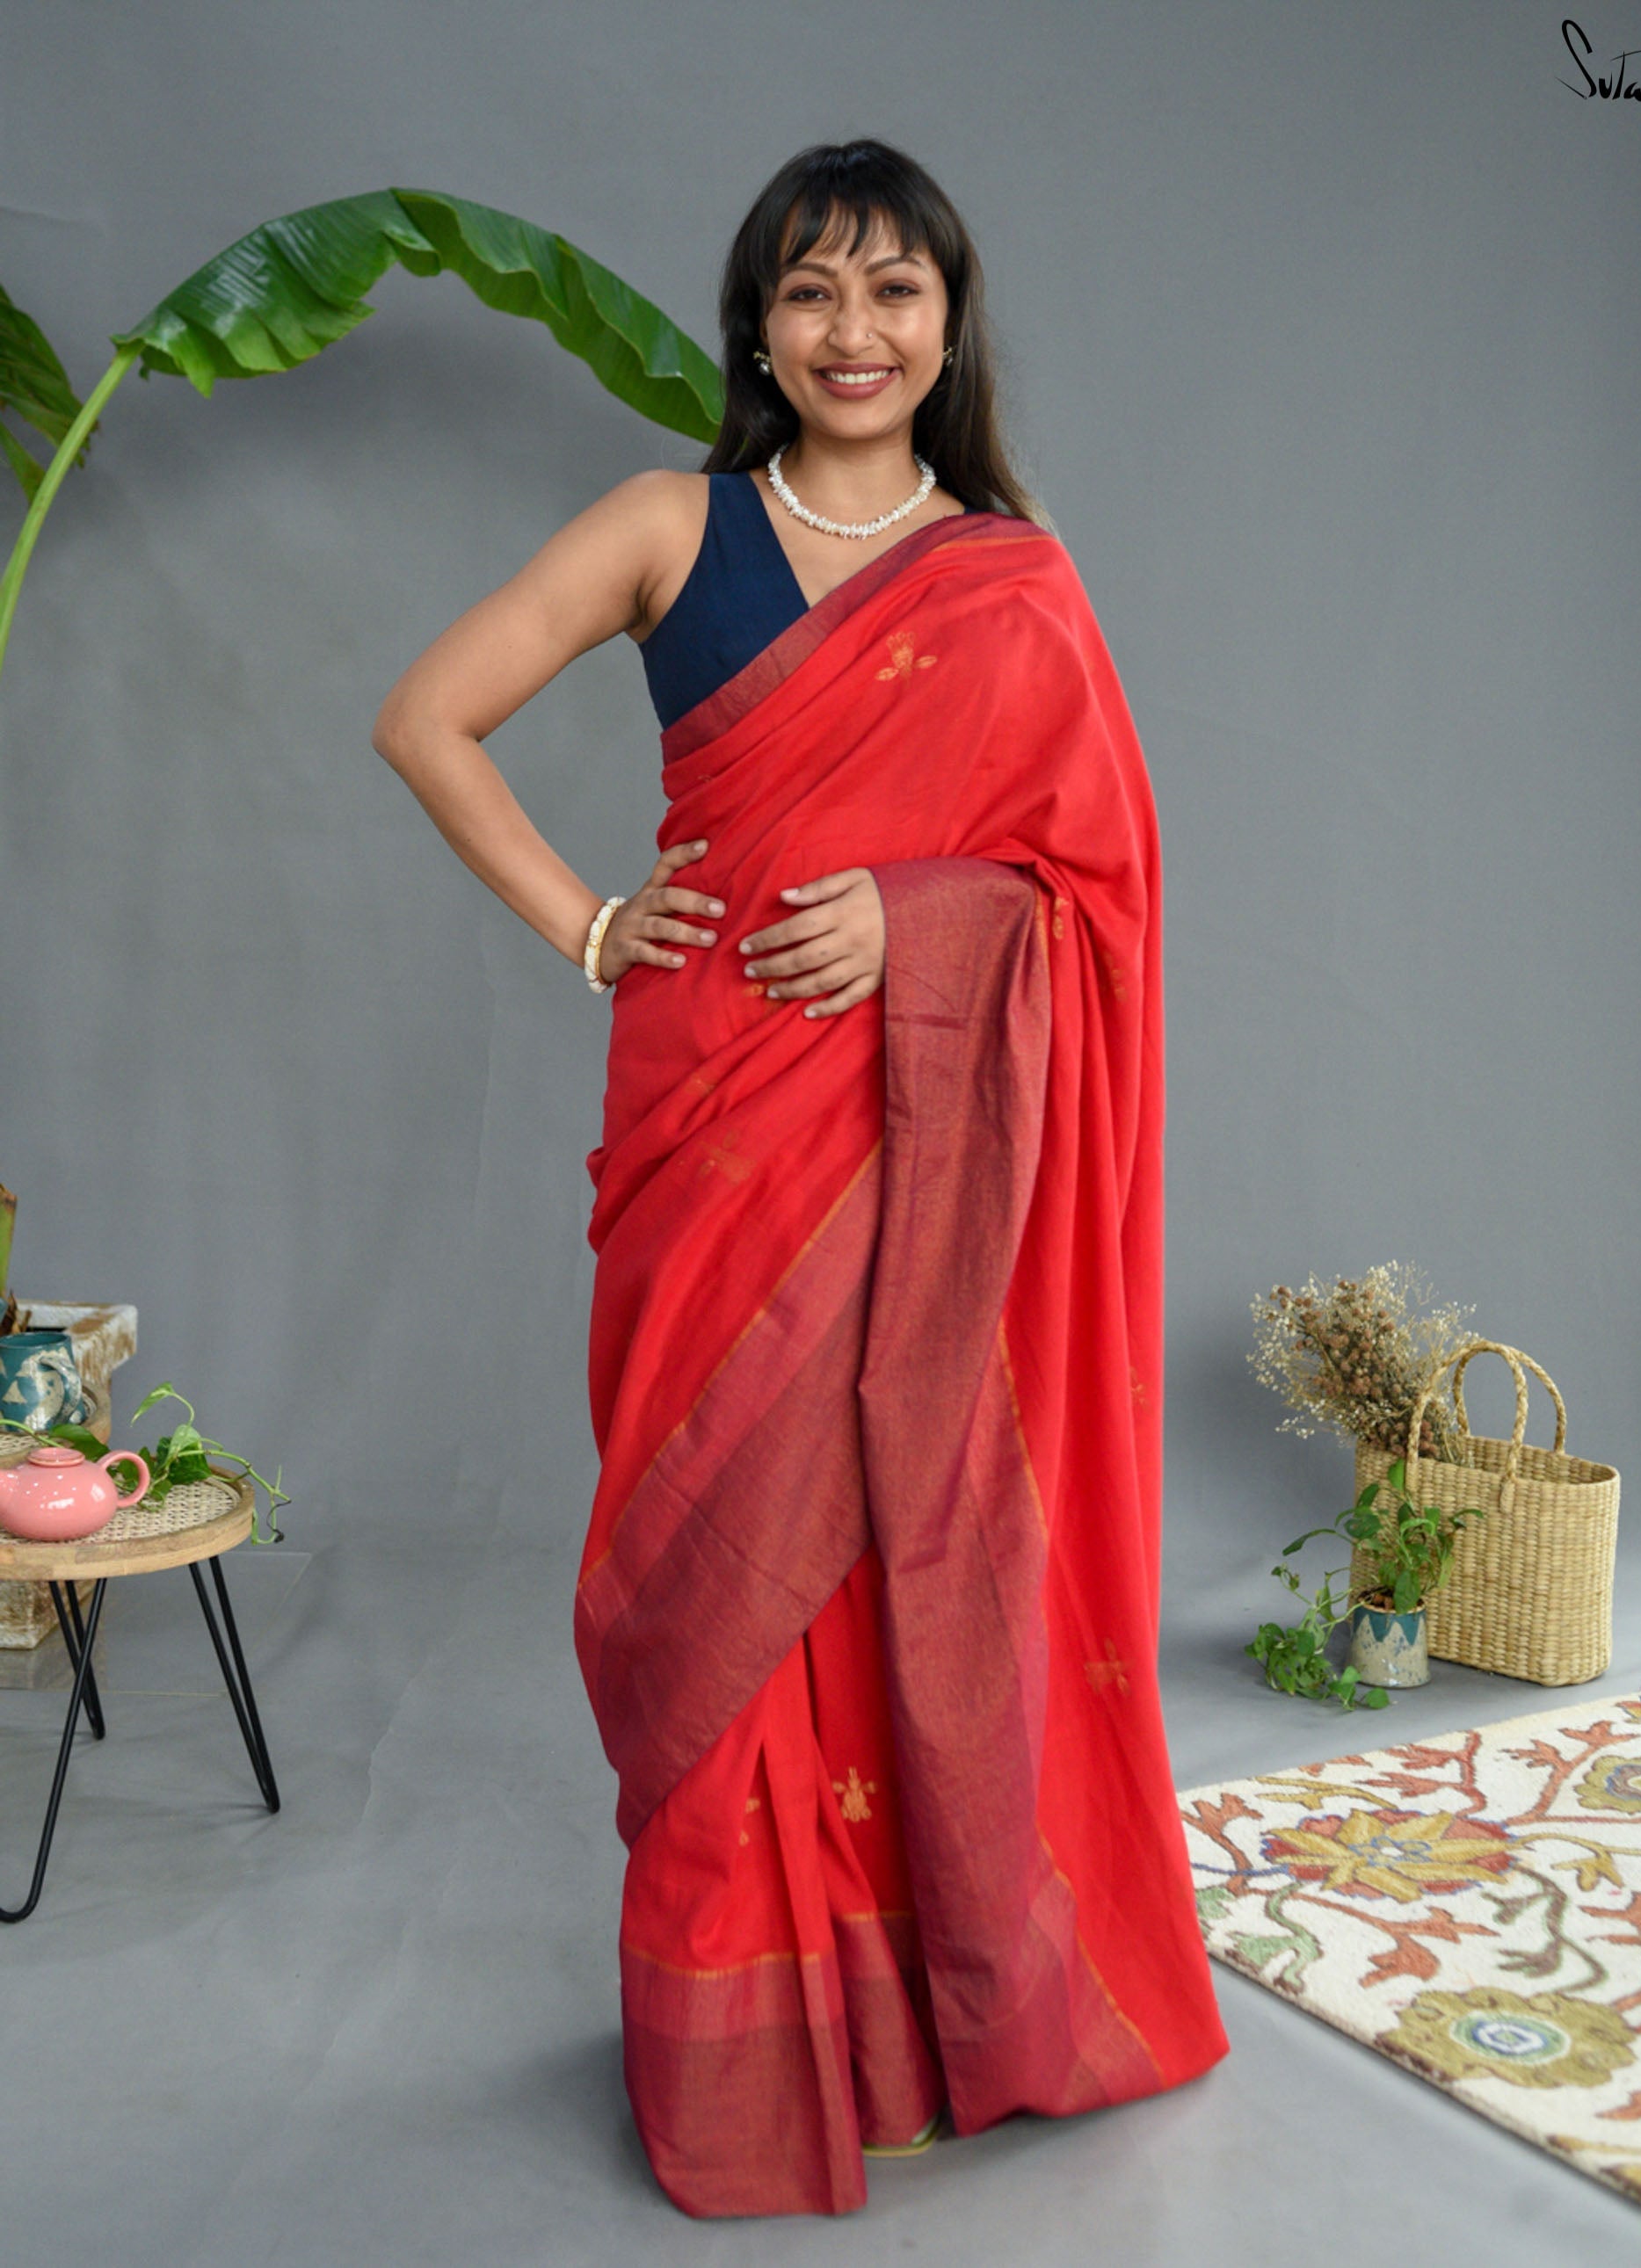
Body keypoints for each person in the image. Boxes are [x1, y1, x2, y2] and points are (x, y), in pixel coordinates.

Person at [373, 136, 1230, 2221]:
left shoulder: (1013, 576)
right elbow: (425, 718)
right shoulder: (669, 525)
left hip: (926, 1153)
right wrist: (593, 925)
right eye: (810, 290)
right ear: (756, 325)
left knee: (884, 1564)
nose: (853, 331)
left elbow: (1096, 902)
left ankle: (915, 2019)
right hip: (717, 1125)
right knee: (719, 1593)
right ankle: (748, 2061)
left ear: (948, 326)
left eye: (892, 291)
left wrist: (921, 918)